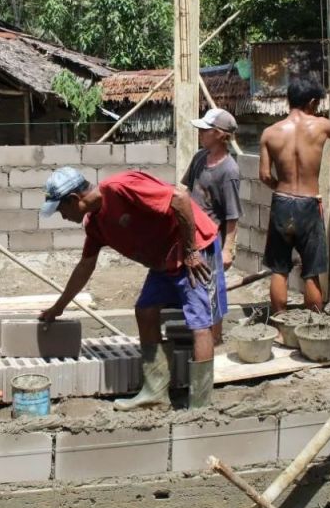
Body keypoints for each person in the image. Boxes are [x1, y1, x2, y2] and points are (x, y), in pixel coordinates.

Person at [38, 167, 224, 410]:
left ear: (74, 199)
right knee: (145, 310)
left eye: (61, 209)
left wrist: (191, 251)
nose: (62, 216)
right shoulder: (96, 224)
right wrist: (58, 308)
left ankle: (201, 406)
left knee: (199, 323)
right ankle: (155, 392)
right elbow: (85, 266)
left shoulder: (120, 187)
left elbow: (180, 198)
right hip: (163, 259)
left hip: (194, 247)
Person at [259, 79, 330, 314]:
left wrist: (282, 189)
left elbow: (264, 175)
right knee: (311, 270)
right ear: (312, 102)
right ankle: (314, 324)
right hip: (309, 204)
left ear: (288, 100)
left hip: (282, 202)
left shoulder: (269, 133)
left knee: (280, 269)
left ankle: (281, 325)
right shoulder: (321, 126)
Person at [181, 107, 241, 344]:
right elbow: (187, 191)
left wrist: (228, 249)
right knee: (192, 284)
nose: (200, 134)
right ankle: (197, 332)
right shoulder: (199, 158)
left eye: (205, 130)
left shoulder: (229, 170)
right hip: (191, 234)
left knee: (212, 290)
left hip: (210, 238)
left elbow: (232, 214)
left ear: (218, 134)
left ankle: (214, 338)